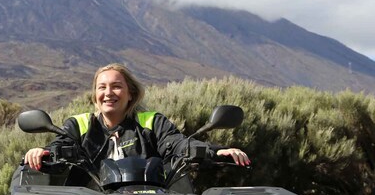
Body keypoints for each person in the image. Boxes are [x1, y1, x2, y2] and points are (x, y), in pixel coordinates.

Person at [24, 63, 249, 178]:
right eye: (102, 87)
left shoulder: (150, 122)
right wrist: (42, 152)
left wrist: (215, 151)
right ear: (95, 95)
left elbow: (178, 143)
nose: (108, 93)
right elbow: (62, 145)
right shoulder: (80, 124)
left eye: (117, 86)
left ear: (130, 93)